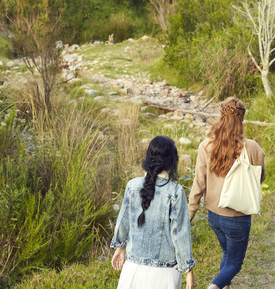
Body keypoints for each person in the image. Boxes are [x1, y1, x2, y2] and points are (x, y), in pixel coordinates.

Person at [188, 97, 266, 289]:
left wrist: (190, 212)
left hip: (214, 216)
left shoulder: (206, 145)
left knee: (227, 256)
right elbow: (259, 178)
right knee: (234, 263)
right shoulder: (252, 148)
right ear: (242, 120)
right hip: (238, 217)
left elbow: (198, 184)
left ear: (221, 117)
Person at [111, 136, 196, 289]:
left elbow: (123, 221)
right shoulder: (176, 192)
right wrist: (188, 270)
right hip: (165, 273)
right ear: (172, 161)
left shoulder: (132, 186)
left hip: (133, 269)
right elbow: (180, 234)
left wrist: (120, 247)